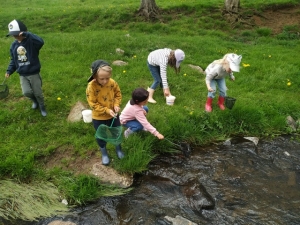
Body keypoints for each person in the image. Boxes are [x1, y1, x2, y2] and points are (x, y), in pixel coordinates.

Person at [86, 60, 125, 165]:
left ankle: (118, 149)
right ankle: (104, 152)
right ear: (94, 76)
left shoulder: (112, 83)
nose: (105, 81)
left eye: (107, 78)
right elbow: (93, 104)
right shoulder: (91, 86)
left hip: (114, 115)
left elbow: (118, 94)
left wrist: (116, 105)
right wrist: (107, 110)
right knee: (101, 135)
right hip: (99, 117)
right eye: (101, 79)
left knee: (116, 131)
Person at [5, 19, 47, 116]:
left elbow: (41, 42)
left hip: (33, 73)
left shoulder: (31, 42)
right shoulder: (13, 46)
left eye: (16, 34)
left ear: (23, 32)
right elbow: (13, 60)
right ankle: (35, 101)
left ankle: (41, 105)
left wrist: (28, 34)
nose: (15, 36)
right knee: (26, 92)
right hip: (22, 74)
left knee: (38, 93)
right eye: (13, 35)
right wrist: (9, 70)